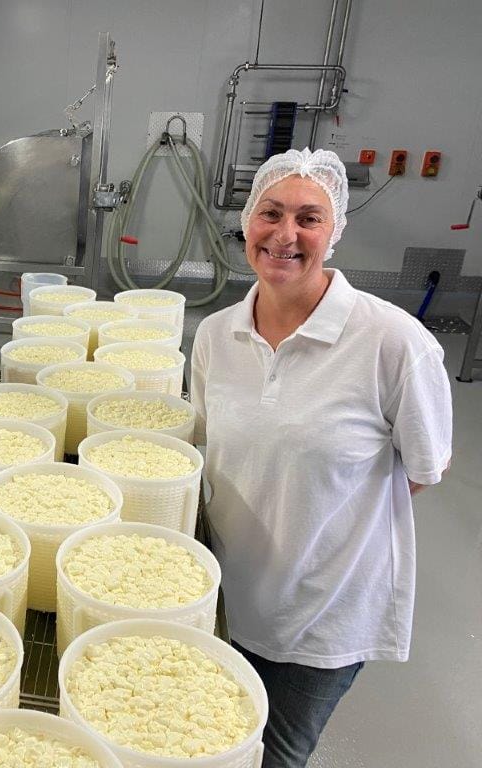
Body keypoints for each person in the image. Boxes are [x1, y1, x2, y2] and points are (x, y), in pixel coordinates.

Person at [190, 148, 453, 768]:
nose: (285, 235)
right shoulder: (215, 334)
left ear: (334, 233)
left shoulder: (393, 342)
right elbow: (207, 443)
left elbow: (424, 468)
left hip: (325, 611)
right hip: (228, 591)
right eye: (270, 213)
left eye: (309, 219)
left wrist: (323, 517)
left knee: (277, 755)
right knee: (212, 743)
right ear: (247, 222)